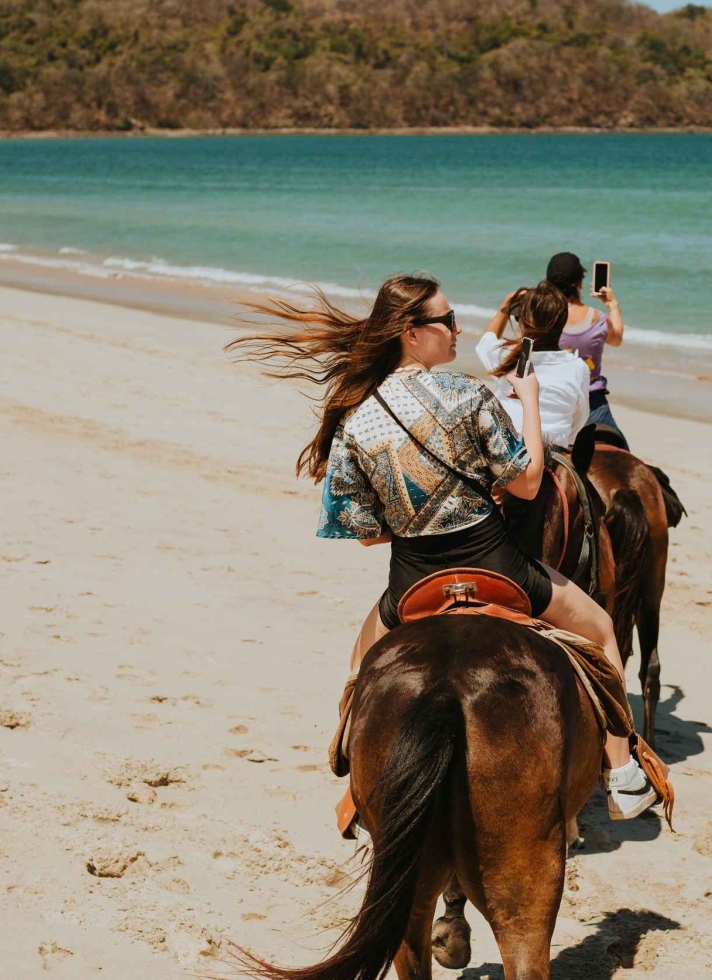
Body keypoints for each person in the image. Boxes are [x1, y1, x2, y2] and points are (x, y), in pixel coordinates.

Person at [227, 272, 657, 820]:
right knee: (600, 630)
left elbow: (363, 533)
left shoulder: (357, 419)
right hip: (496, 567)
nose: (458, 329)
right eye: (447, 321)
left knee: (361, 668)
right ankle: (622, 777)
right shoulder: (468, 393)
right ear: (411, 332)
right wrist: (529, 401)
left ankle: (358, 783)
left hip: (412, 583)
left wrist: (412, 516)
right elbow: (526, 483)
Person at [474, 281, 589, 449]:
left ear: (523, 321)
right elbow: (579, 421)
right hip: (554, 452)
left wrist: (506, 305)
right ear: (563, 322)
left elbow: (486, 340)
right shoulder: (578, 367)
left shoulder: (505, 356)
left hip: (507, 449)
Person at [545, 251, 627, 443]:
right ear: (580, 284)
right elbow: (616, 339)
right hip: (593, 404)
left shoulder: (543, 318)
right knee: (621, 449)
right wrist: (612, 303)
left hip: (555, 399)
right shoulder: (598, 319)